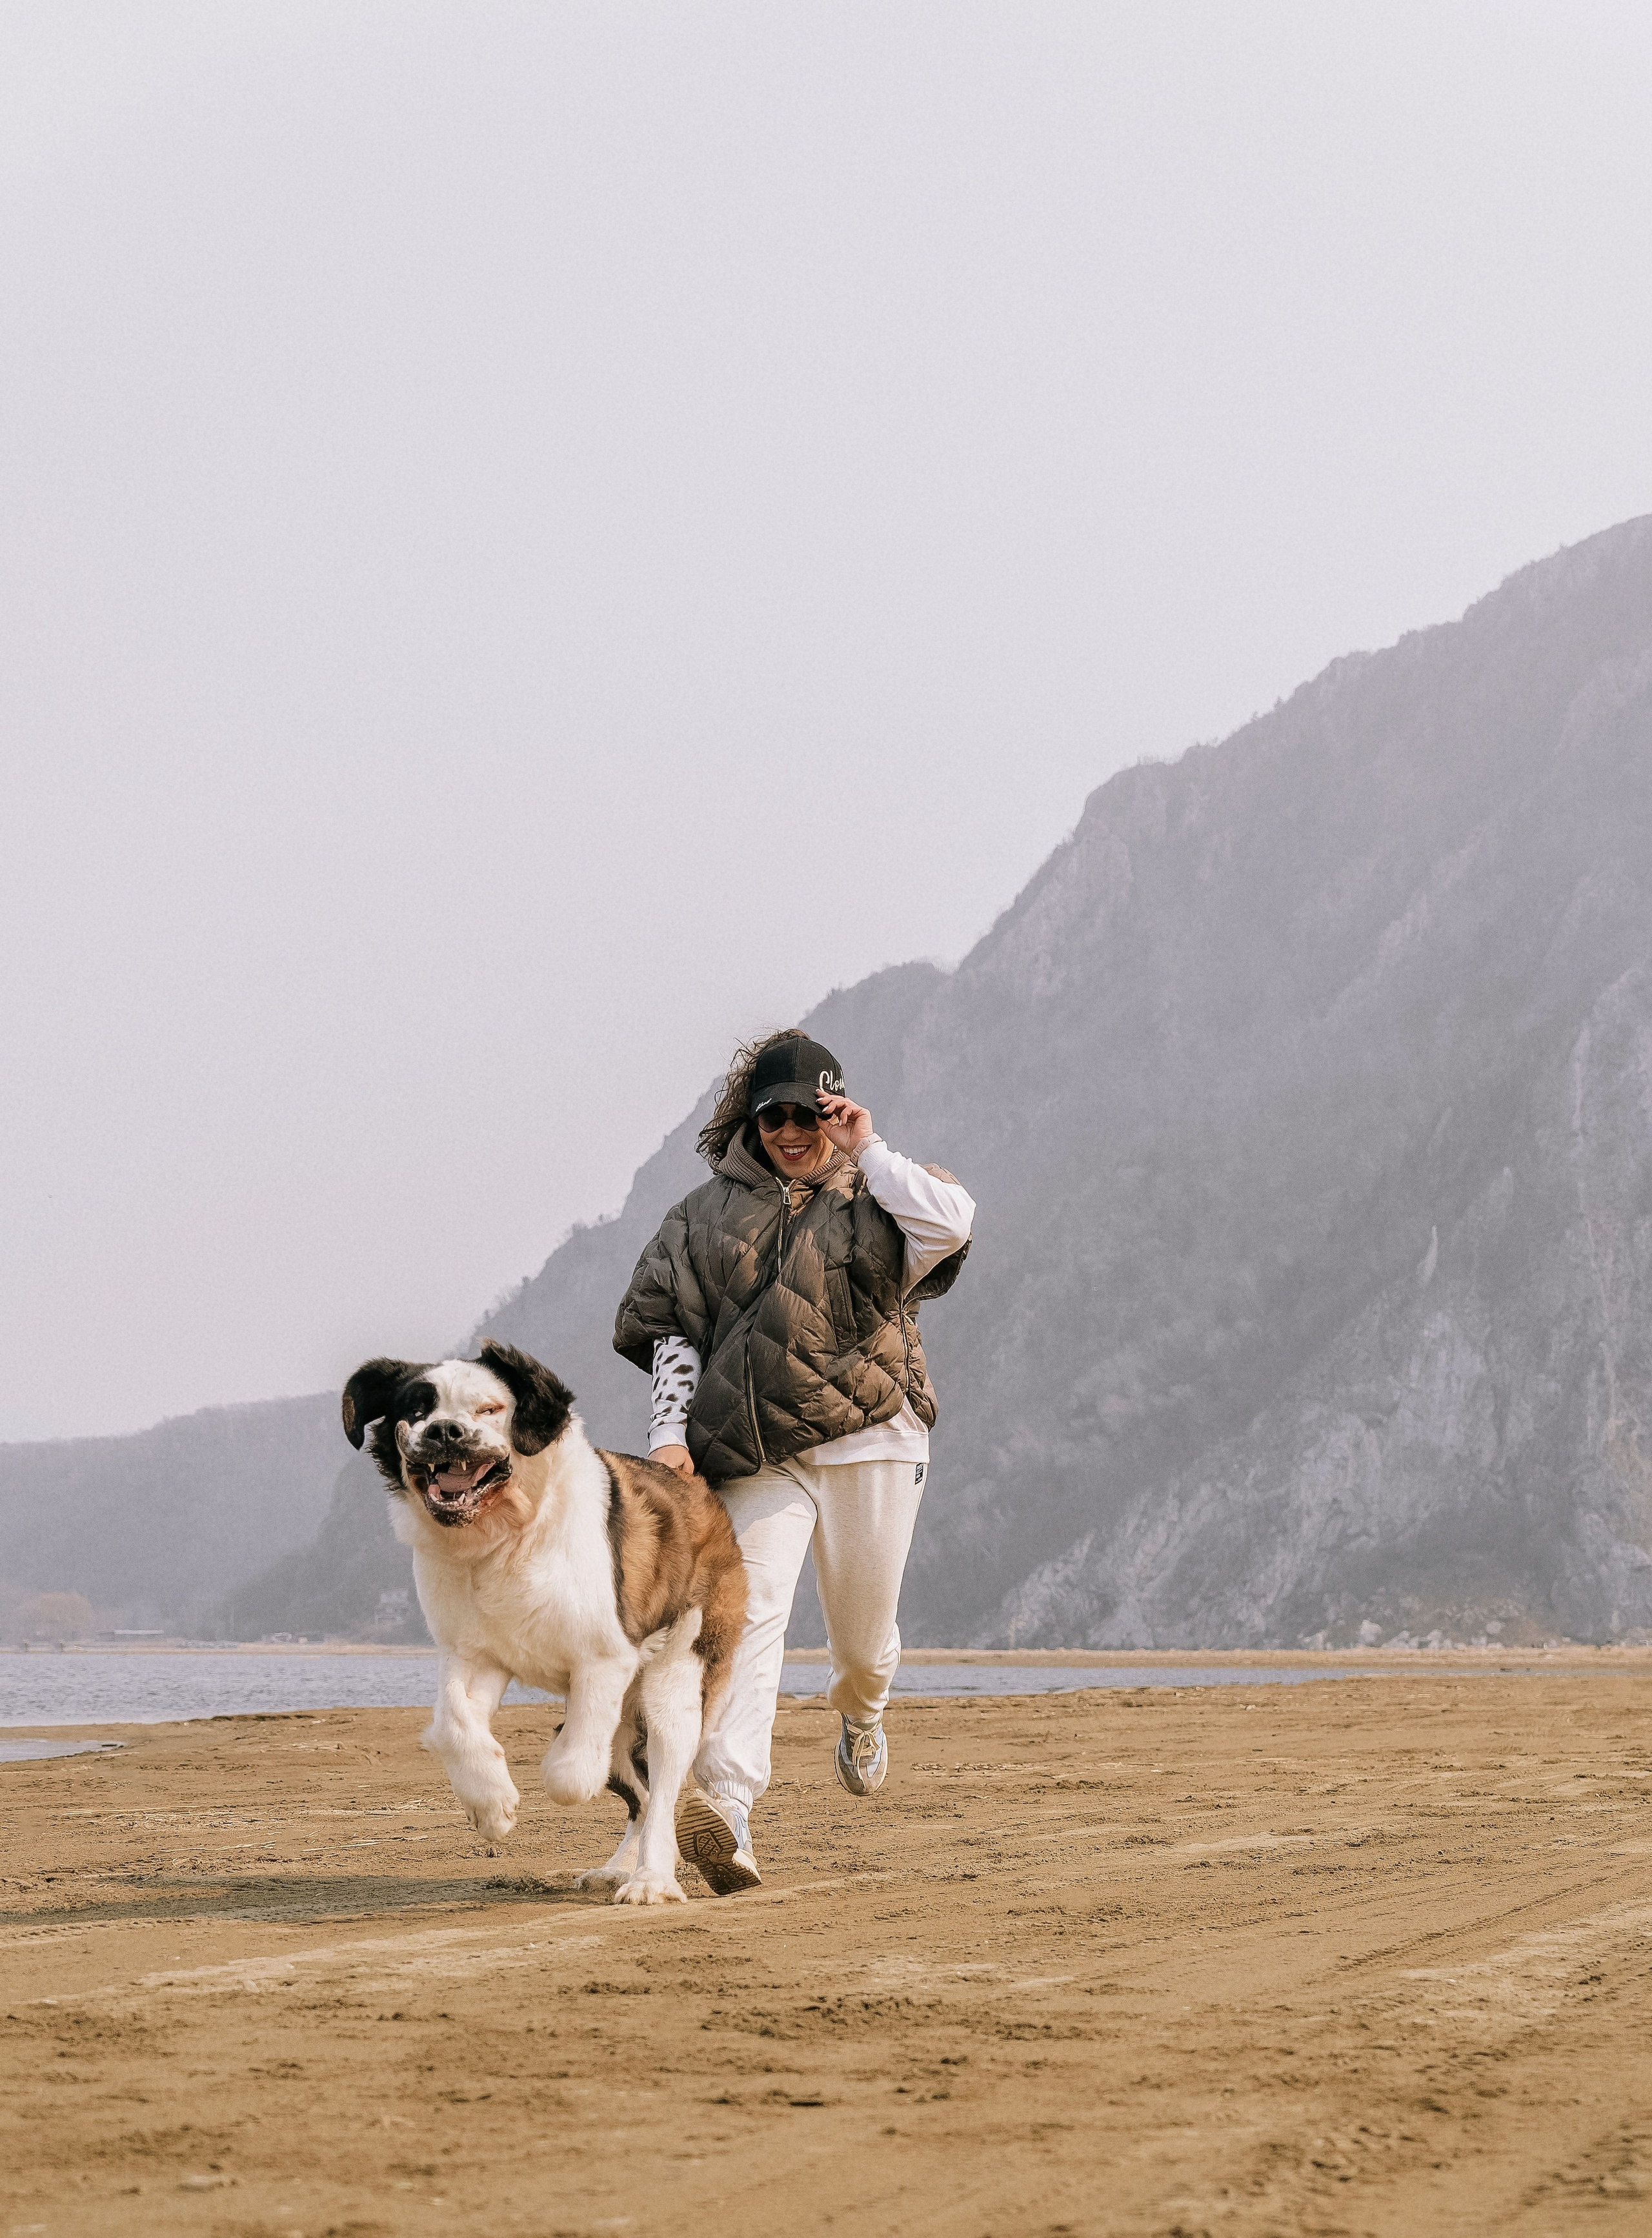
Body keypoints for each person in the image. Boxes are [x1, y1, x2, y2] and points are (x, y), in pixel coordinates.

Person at [612, 1027, 975, 1893]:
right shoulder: (700, 1217)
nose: (789, 1132)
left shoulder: (884, 1194)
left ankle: (862, 1713)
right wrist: (669, 1432)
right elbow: (673, 1331)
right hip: (761, 1452)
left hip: (876, 1441)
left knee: (861, 1643)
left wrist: (867, 1147)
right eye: (773, 1115)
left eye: (807, 1114)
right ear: (750, 1118)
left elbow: (953, 1227)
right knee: (752, 1614)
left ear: (832, 1110)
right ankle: (729, 1811)